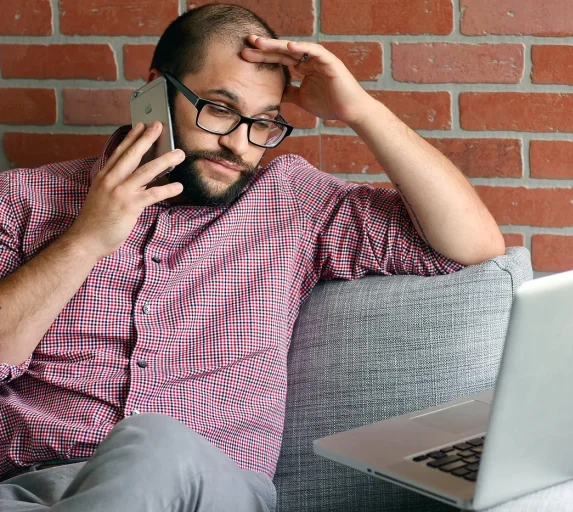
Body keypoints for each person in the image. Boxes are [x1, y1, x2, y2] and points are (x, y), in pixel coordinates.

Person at [0, 4, 505, 511]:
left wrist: (360, 110)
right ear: (156, 91)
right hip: (27, 490)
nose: (239, 145)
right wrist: (86, 240)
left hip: (207, 490)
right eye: (219, 109)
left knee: (152, 443)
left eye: (263, 124)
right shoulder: (24, 199)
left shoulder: (292, 204)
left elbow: (472, 245)